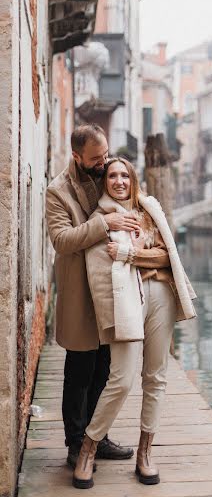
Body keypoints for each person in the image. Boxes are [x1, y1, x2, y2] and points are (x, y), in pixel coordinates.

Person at [72, 157, 197, 489]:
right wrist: (148, 254)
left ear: (134, 179)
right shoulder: (100, 219)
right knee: (122, 380)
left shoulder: (149, 210)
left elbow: (169, 256)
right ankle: (88, 448)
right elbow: (101, 268)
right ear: (105, 182)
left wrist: (131, 255)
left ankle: (145, 453)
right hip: (124, 301)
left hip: (161, 299)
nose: (119, 180)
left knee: (155, 377)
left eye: (125, 175)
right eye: (112, 175)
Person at [46, 125, 139, 469]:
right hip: (78, 294)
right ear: (77, 156)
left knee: (105, 368)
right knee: (79, 373)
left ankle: (96, 439)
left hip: (109, 290)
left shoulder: (103, 174)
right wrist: (106, 223)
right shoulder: (57, 191)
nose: (103, 164)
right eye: (96, 159)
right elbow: (62, 240)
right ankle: (75, 445)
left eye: (105, 155)